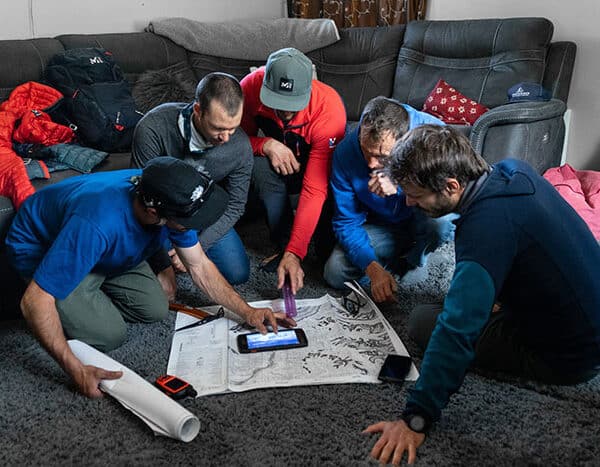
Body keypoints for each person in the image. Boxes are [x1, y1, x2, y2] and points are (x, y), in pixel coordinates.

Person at [363, 125, 600, 465]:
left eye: (415, 194)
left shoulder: (485, 231)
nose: (409, 201)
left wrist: (416, 418)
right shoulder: (514, 171)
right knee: (462, 295)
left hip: (570, 358)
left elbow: (457, 332)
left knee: (424, 321)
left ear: (451, 186)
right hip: (586, 316)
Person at [5, 157, 295, 399]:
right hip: (48, 248)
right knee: (110, 334)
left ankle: (90, 292)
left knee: (156, 308)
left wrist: (247, 311)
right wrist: (75, 368)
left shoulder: (169, 194)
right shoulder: (96, 224)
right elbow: (34, 300)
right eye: (189, 222)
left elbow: (199, 266)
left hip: (107, 250)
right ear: (154, 212)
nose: (193, 226)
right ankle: (77, 297)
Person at [324, 96, 455, 302]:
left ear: (404, 142)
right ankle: (393, 261)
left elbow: (451, 195)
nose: (371, 164)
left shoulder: (433, 134)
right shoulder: (344, 153)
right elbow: (346, 222)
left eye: (382, 157)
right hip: (381, 226)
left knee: (441, 224)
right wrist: (373, 269)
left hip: (422, 220)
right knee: (334, 273)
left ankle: (418, 256)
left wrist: (402, 184)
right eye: (366, 152)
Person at [131, 72, 253, 295]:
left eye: (232, 128)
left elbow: (236, 205)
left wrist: (198, 246)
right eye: (217, 128)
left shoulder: (241, 146)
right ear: (197, 110)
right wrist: (163, 263)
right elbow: (140, 198)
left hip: (204, 213)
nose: (225, 138)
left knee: (237, 273)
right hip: (160, 216)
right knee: (153, 269)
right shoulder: (152, 127)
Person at [240, 47, 346, 294]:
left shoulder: (329, 109)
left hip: (317, 171)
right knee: (257, 166)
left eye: (292, 104)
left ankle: (294, 247)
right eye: (278, 102)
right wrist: (265, 144)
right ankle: (282, 240)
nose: (285, 112)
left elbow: (315, 188)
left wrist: (297, 252)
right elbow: (233, 141)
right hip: (276, 165)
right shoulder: (249, 86)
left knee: (325, 254)